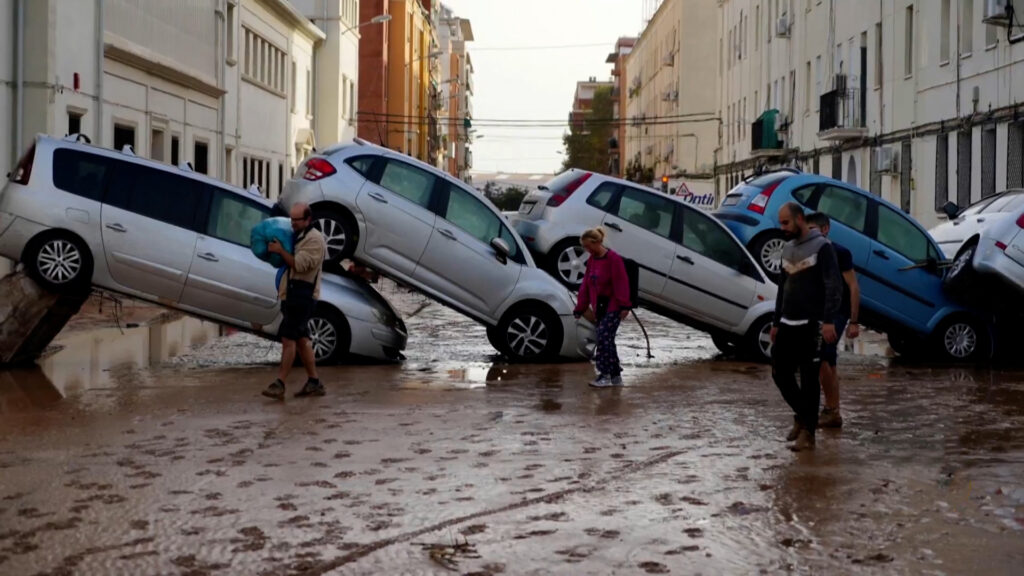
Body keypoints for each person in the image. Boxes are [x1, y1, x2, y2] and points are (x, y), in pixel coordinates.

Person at [769, 202, 843, 451]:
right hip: (787, 323)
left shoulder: (823, 248)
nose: (782, 228)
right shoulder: (787, 248)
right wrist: (776, 322)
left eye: (786, 223)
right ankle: (803, 416)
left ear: (799, 219)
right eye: (780, 223)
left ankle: (808, 434)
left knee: (810, 379)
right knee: (779, 373)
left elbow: (834, 286)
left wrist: (829, 321)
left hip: (812, 324)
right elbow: (782, 287)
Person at [263, 203, 327, 399]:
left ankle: (280, 383)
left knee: (288, 339)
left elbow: (299, 265)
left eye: (296, 220)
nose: (292, 223)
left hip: (303, 297)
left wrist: (281, 251)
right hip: (292, 294)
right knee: (301, 340)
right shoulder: (298, 235)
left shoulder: (315, 241)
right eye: (291, 219)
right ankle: (314, 382)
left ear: (307, 220)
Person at [806, 212, 861, 428]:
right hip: (818, 312)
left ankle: (829, 409)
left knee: (822, 358)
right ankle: (834, 411)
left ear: (825, 229)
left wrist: (854, 321)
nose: (808, 234)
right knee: (829, 362)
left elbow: (854, 287)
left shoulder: (840, 252)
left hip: (837, 312)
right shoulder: (808, 252)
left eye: (813, 229)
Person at [573, 227, 631, 388]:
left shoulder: (614, 259)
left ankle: (604, 374)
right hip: (599, 307)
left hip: (613, 306)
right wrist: (580, 307)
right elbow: (585, 285)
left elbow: (621, 283)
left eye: (588, 246)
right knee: (608, 341)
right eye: (584, 247)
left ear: (597, 242)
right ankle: (615, 376)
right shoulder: (592, 260)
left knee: (604, 338)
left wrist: (625, 305)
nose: (587, 250)